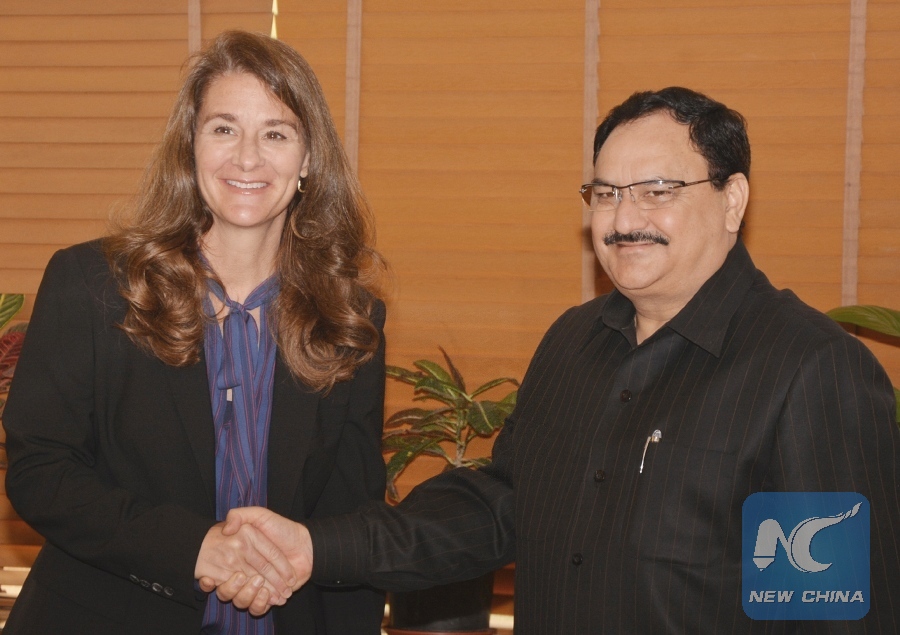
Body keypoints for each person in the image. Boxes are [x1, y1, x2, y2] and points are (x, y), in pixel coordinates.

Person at [215, 87, 900, 633]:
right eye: (606, 194)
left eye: (657, 191)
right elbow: (500, 507)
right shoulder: (573, 342)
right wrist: (314, 547)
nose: (624, 219)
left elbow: (840, 617)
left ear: (733, 200)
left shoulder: (810, 371)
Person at [3, 30, 387, 634]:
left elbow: (348, 518)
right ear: (190, 145)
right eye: (224, 128)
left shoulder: (348, 318)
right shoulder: (93, 285)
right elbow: (40, 472)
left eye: (276, 134)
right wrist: (193, 548)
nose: (247, 159)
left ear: (309, 159)